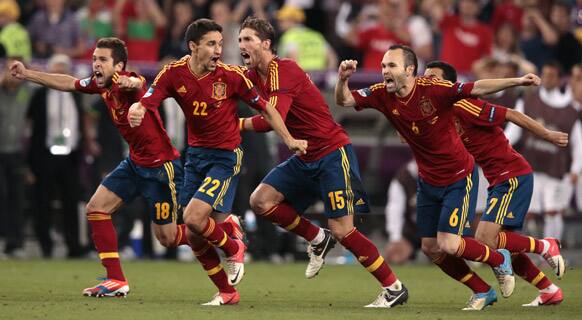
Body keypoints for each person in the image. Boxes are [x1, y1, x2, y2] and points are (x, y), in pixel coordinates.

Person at [11, 37, 242, 299]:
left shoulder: (129, 84)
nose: (95, 64)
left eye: (102, 60)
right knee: (96, 208)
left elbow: (137, 83)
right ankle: (116, 279)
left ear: (118, 66)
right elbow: (68, 82)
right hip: (134, 164)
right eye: (95, 59)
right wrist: (27, 74)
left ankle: (224, 234)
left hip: (160, 170)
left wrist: (128, 82)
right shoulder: (101, 86)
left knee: (167, 238)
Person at [335, 44, 541, 310]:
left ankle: (499, 260)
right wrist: (342, 79)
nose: (385, 71)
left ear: (410, 70)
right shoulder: (381, 94)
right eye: (384, 66)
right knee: (431, 247)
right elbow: (344, 101)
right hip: (427, 180)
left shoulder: (434, 89)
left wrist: (516, 80)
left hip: (458, 176)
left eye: (392, 66)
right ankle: (482, 290)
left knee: (450, 243)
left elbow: (477, 87)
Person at [127, 19, 306, 306]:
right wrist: (136, 108)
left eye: (221, 44)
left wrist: (289, 140)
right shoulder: (173, 74)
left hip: (225, 157)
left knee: (193, 219)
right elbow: (148, 99)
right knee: (196, 237)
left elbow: (267, 108)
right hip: (195, 158)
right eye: (212, 44)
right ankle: (227, 291)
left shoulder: (232, 76)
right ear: (193, 47)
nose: (218, 50)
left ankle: (233, 244)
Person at [238, 17, 408, 308]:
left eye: (248, 39)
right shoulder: (252, 75)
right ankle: (317, 238)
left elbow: (273, 119)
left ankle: (393, 287)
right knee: (261, 200)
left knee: (343, 229)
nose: (242, 45)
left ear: (265, 44)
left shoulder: (284, 69)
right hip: (305, 155)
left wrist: (237, 124)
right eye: (240, 40)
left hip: (331, 152)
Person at [425, 60, 566, 307]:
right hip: (498, 179)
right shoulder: (438, 114)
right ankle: (549, 289)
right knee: (506, 246)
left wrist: (547, 135)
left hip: (512, 175)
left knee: (485, 238)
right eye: (425, 78)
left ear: (449, 83)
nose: (428, 83)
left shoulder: (463, 104)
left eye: (433, 78)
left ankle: (545, 245)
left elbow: (510, 113)